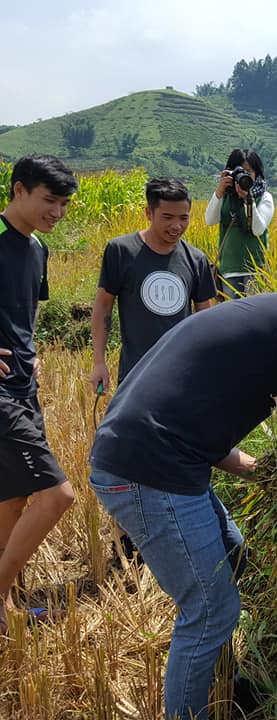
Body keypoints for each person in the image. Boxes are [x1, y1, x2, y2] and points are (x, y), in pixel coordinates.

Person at [88, 239, 277, 720]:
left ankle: (222, 682)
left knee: (233, 558)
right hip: (150, 472)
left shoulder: (262, 314)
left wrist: (257, 471)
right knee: (209, 609)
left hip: (146, 457)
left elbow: (188, 410)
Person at [0, 155, 79, 635]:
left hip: (23, 388)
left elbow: (23, 315)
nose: (57, 211)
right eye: (50, 200)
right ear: (18, 190)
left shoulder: (37, 251)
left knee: (11, 499)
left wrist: (34, 354)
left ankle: (5, 606)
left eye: (64, 204)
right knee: (59, 494)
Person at [89, 177, 217, 394]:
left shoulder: (196, 260)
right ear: (149, 213)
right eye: (167, 217)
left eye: (183, 218)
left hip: (182, 373)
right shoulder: (121, 251)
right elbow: (103, 306)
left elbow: (206, 320)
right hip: (135, 374)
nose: (176, 226)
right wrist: (99, 362)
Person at [205, 148, 275, 299]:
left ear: (257, 174)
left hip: (255, 270)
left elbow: (258, 229)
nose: (243, 176)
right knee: (231, 319)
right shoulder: (225, 197)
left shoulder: (264, 197)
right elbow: (210, 220)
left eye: (248, 172)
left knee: (253, 318)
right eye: (239, 172)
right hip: (229, 268)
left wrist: (248, 200)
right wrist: (219, 192)